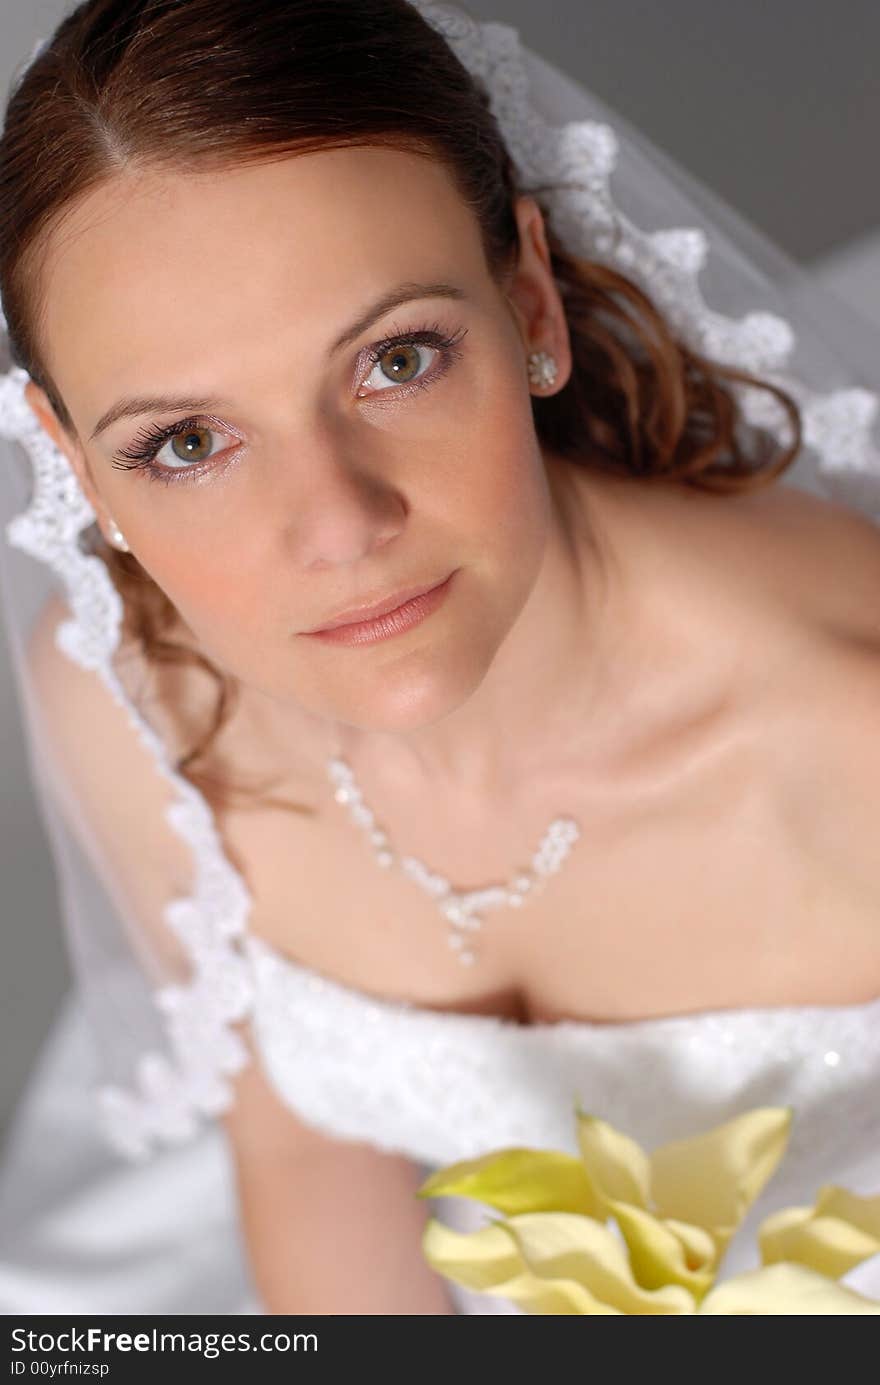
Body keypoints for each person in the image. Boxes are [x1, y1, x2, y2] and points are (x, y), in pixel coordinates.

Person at [0, 0, 878, 1316]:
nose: (343, 528)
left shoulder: (850, 733)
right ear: (77, 469)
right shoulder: (130, 703)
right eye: (185, 441)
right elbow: (302, 1143)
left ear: (528, 300)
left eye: (395, 360)